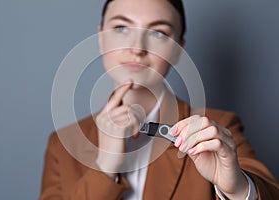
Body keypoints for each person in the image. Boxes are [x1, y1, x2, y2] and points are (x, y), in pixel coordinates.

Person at [40, 0, 279, 199]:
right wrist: (105, 168)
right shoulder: (62, 146)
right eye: (122, 27)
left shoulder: (217, 127)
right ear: (101, 37)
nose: (137, 48)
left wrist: (236, 187)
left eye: (158, 33)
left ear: (177, 49)